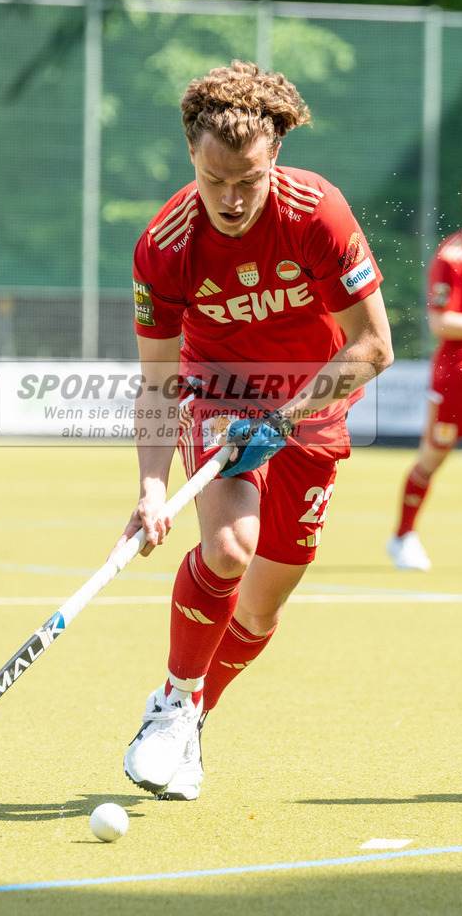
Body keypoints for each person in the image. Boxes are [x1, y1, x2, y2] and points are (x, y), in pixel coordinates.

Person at [114, 60, 393, 802]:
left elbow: (372, 347)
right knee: (230, 548)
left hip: (313, 402)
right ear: (190, 156)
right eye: (214, 180)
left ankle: (195, 717)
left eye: (249, 180)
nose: (232, 200)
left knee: (264, 602)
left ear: (276, 157)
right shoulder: (165, 246)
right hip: (220, 390)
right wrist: (151, 488)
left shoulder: (315, 213)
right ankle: (173, 704)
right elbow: (157, 382)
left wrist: (285, 416)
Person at [387, 170, 462, 571]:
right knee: (432, 457)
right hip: (458, 379)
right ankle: (402, 538)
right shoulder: (452, 257)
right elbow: (440, 323)